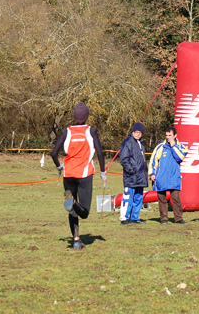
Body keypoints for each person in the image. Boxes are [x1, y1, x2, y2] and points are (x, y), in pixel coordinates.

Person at [51, 103, 106, 250]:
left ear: (74, 116)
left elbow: (53, 153)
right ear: (86, 116)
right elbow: (100, 153)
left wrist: (59, 166)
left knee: (72, 211)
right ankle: (74, 202)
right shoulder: (91, 131)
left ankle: (76, 241)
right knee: (84, 212)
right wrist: (103, 172)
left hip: (68, 174)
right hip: (84, 174)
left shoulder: (66, 132)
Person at [149, 126, 188, 224]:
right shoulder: (160, 147)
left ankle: (178, 218)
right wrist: (152, 173)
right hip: (161, 177)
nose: (168, 137)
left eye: (170, 135)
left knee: (176, 198)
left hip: (174, 177)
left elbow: (180, 157)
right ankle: (164, 218)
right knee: (161, 199)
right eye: (166, 135)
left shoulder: (181, 147)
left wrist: (173, 145)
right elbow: (153, 161)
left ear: (175, 135)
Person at [119, 123, 148, 225]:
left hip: (141, 177)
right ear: (132, 132)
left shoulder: (141, 145)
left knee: (138, 198)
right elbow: (124, 159)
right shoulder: (127, 142)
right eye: (136, 132)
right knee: (128, 197)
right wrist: (131, 170)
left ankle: (135, 217)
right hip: (131, 176)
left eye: (140, 132)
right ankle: (124, 217)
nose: (138, 134)